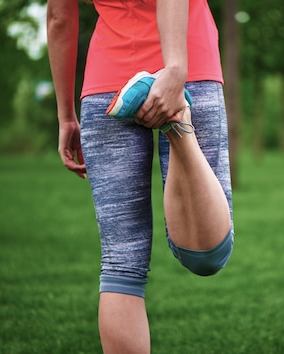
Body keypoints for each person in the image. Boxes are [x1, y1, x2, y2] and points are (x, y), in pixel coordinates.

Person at [46, 1, 234, 353]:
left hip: (107, 86)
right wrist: (175, 69)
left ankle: (178, 124)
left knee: (120, 264)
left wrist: (66, 115)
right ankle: (179, 125)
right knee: (207, 257)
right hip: (191, 64)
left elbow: (59, 17)